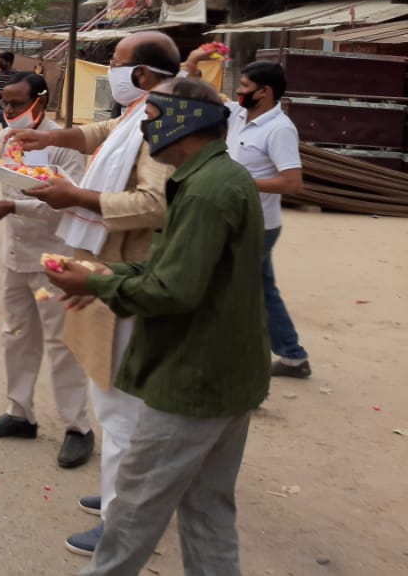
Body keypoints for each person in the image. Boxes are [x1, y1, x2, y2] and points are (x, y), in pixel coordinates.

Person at [46, 76, 268, 575]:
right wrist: (107, 274)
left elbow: (174, 292)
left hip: (194, 377)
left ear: (182, 122)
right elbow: (178, 270)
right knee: (206, 510)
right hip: (225, 374)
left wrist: (100, 287)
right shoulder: (215, 179)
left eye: (151, 121)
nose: (145, 134)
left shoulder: (208, 191)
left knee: (131, 514)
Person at [9, 30, 178, 557]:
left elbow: (155, 204)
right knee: (116, 396)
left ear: (144, 76)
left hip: (130, 272)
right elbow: (102, 130)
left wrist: (76, 195)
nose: (110, 73)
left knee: (118, 403)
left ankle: (122, 525)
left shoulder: (163, 120)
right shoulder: (142, 113)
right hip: (116, 266)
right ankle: (117, 497)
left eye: (118, 64)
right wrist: (50, 140)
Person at [0, 72, 94, 470]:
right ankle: (20, 413)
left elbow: (71, 201)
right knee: (17, 335)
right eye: (5, 103)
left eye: (18, 104)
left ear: (41, 103)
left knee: (61, 343)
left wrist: (14, 206)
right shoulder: (3, 139)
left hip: (55, 258)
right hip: (17, 254)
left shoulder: (62, 144)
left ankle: (77, 427)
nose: (9, 111)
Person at [184, 49, 310, 378]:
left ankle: (235, 360)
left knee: (232, 289)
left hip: (258, 225)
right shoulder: (239, 114)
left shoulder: (279, 129)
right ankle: (293, 355)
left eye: (243, 86)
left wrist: (241, 183)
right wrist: (193, 63)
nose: (238, 91)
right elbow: (201, 100)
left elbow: (292, 183)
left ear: (264, 92)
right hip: (234, 219)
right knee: (261, 288)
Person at [0, 50, 17, 123]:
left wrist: (3, 94)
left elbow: (17, 92)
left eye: (1, 61)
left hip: (8, 109)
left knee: (7, 131)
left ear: (8, 62)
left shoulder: (15, 75)